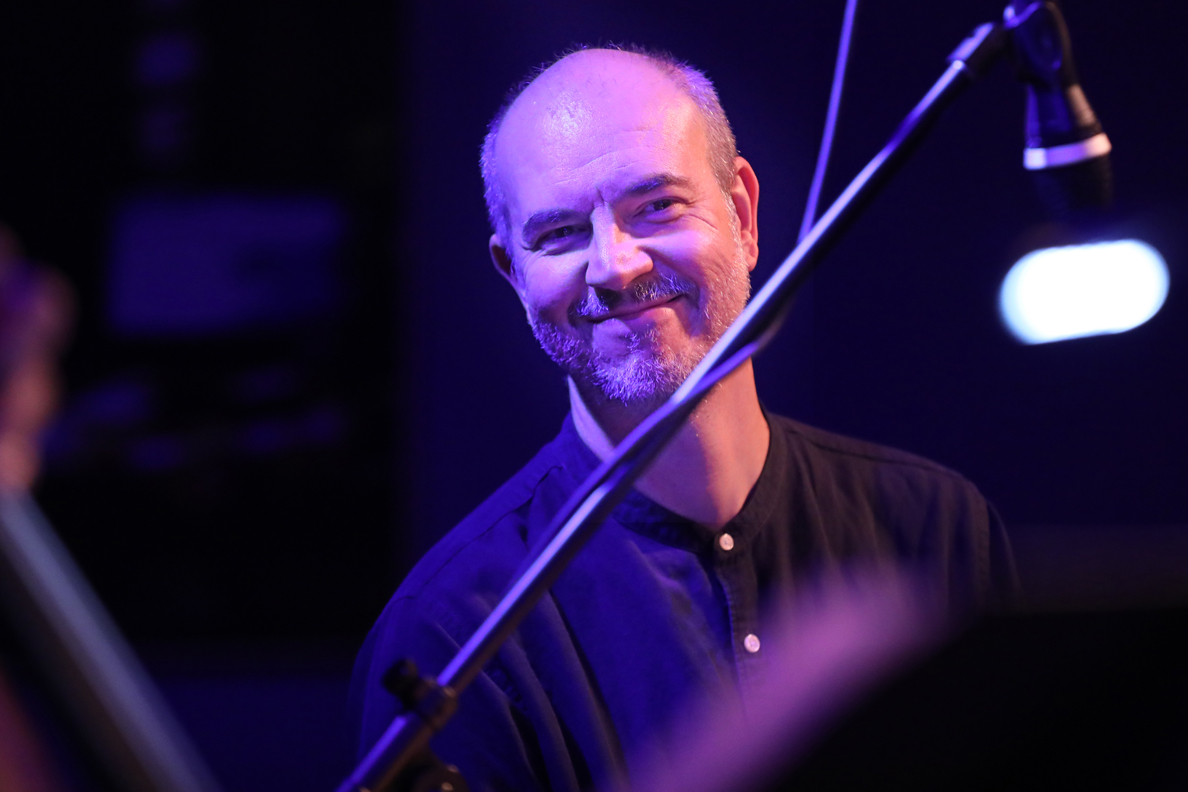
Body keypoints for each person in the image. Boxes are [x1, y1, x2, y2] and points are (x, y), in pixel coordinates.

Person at [350, 46, 1017, 792]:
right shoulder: (452, 629)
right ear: (513, 272)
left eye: (657, 206)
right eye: (560, 233)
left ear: (742, 215)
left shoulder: (934, 526)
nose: (615, 266)